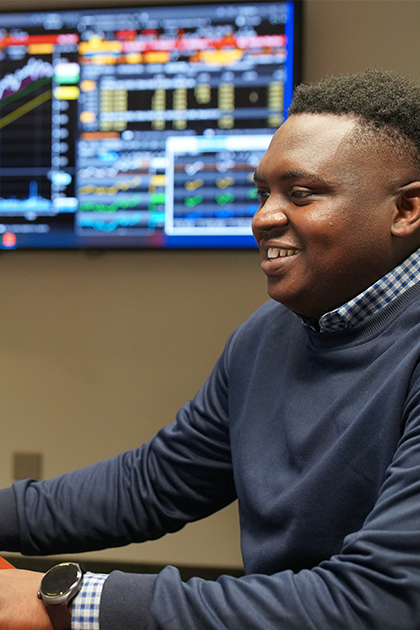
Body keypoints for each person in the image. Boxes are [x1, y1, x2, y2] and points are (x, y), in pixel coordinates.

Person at [2, 67, 420, 630]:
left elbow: (377, 602)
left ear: (405, 210)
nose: (263, 217)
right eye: (263, 193)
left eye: (301, 194)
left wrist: (59, 600)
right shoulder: (267, 335)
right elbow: (151, 486)